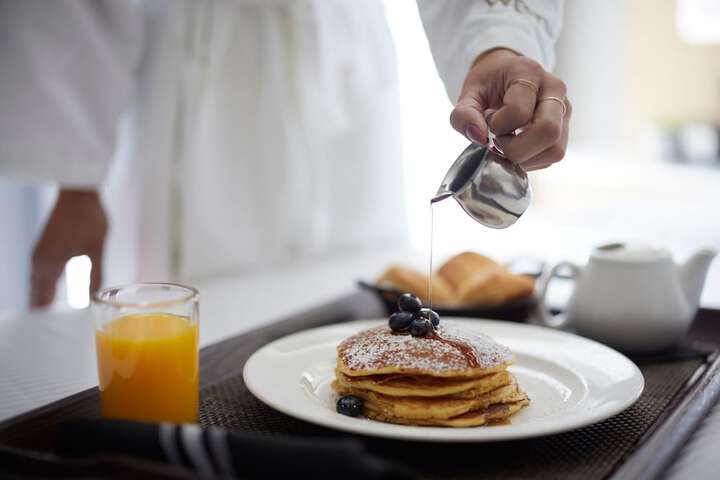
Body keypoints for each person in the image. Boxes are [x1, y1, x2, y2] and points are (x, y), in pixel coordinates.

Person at [0, 0, 569, 307]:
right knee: (200, 328)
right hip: (205, 80)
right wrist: (77, 174)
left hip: (345, 71)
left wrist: (499, 38)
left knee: (357, 311)